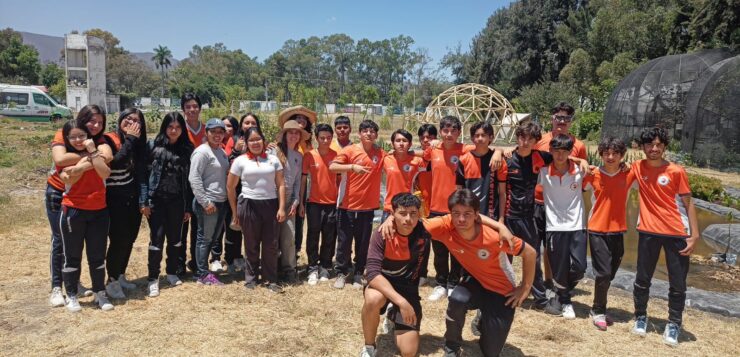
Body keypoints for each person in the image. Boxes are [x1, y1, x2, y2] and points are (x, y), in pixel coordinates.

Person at [380, 189, 535, 357]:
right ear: (451, 214)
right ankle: (452, 345)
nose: (461, 219)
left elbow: (530, 253)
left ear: (477, 215)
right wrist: (391, 218)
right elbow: (412, 222)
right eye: (456, 214)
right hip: (474, 281)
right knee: (457, 298)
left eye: (467, 214)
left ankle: (484, 318)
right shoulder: (446, 226)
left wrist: (525, 287)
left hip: (501, 290)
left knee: (490, 352)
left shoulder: (494, 237)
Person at [631, 127, 698, 346]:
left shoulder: (676, 171)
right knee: (642, 279)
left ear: (665, 147)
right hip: (648, 232)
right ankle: (640, 316)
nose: (654, 148)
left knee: (677, 283)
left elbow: (689, 204)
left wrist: (694, 235)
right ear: (642, 147)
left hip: (676, 233)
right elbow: (611, 169)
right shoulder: (637, 168)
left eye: (659, 144)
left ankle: (674, 323)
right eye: (650, 144)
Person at [47, 104, 110, 306]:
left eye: (100, 122)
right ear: (82, 119)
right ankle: (58, 287)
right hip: (61, 194)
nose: (96, 125)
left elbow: (106, 159)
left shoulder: (100, 140)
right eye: (92, 121)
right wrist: (88, 157)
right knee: (62, 243)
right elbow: (60, 160)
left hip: (93, 202)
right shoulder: (66, 132)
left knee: (94, 250)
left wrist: (84, 160)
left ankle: (82, 287)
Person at [360, 193, 430, 357]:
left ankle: (393, 315)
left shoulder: (425, 231)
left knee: (409, 351)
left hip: (408, 288)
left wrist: (500, 225)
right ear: (393, 214)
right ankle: (369, 347)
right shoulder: (381, 233)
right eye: (402, 213)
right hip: (382, 284)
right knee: (373, 299)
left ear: (419, 214)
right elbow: (372, 273)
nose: (408, 219)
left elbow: (456, 221)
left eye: (413, 213)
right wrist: (401, 302)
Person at [495, 122, 553, 309]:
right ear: (517, 138)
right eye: (522, 137)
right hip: (510, 216)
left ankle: (540, 299)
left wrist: (581, 161)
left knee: (533, 257)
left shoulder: (541, 157)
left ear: (536, 141)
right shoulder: (507, 159)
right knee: (505, 258)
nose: (526, 142)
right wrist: (501, 220)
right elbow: (501, 193)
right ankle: (504, 293)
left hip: (529, 217)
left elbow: (563, 158)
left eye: (530, 139)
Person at [531, 102, 587, 289]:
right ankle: (538, 282)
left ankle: (552, 281)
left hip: (560, 204)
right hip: (538, 198)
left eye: (566, 118)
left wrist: (578, 159)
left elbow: (582, 169)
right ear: (552, 119)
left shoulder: (578, 145)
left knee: (551, 246)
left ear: (571, 121)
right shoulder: (540, 140)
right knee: (535, 245)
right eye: (558, 118)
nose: (562, 122)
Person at [418, 116, 473, 301]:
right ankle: (441, 283)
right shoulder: (433, 150)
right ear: (440, 132)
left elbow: (487, 149)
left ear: (458, 132)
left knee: (457, 249)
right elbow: (419, 156)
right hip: (436, 207)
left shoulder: (466, 149)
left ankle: (454, 283)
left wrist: (498, 153)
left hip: (457, 209)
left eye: (453, 131)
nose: (449, 135)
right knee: (439, 249)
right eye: (445, 131)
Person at [141, 112, 195, 297]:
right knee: (156, 239)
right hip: (156, 200)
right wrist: (144, 201)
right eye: (170, 127)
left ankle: (171, 272)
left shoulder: (187, 149)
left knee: (175, 239)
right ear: (165, 127)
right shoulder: (152, 147)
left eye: (178, 127)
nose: (174, 130)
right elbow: (144, 176)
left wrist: (188, 206)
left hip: (178, 201)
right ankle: (153, 279)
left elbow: (189, 181)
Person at [227, 127, 287, 293]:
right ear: (246, 143)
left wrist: (282, 207)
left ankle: (270, 279)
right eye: (251, 140)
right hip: (248, 205)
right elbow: (230, 187)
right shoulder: (240, 161)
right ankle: (251, 279)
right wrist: (234, 211)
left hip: (270, 205)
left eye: (258, 139)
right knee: (251, 243)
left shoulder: (273, 160)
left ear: (264, 141)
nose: (255, 143)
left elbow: (281, 184)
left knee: (270, 244)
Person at [582, 137, 632, 330]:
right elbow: (578, 187)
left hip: (618, 230)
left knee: (610, 273)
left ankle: (599, 304)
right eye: (606, 153)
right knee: (602, 272)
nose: (610, 157)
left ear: (622, 155)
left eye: (615, 153)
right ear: (601, 154)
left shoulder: (629, 174)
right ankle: (598, 310)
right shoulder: (592, 174)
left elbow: (644, 168)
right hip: (596, 229)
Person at [330, 119, 386, 289]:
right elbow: (332, 167)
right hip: (347, 205)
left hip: (367, 207)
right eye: (365, 131)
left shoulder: (381, 154)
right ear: (359, 134)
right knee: (344, 241)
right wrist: (352, 167)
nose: (369, 134)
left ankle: (359, 272)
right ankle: (341, 272)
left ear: (376, 135)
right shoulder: (349, 150)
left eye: (372, 131)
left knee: (363, 243)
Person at [539, 135, 588, 319]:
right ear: (550, 151)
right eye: (556, 151)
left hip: (577, 225)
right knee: (558, 268)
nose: (560, 156)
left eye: (564, 151)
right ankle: (565, 301)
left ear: (570, 152)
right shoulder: (543, 172)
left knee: (580, 266)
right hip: (554, 226)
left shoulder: (580, 171)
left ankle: (561, 292)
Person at [103, 108, 148, 299]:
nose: (131, 122)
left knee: (130, 238)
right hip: (114, 198)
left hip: (131, 197)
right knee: (118, 239)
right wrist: (129, 140)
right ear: (120, 119)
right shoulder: (108, 140)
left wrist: (142, 199)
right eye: (127, 118)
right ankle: (111, 280)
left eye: (136, 121)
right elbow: (116, 163)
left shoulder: (139, 144)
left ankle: (120, 274)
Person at [190, 118, 230, 286]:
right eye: (213, 131)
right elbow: (194, 178)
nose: (217, 135)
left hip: (220, 202)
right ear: (207, 133)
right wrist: (205, 202)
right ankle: (202, 274)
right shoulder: (202, 152)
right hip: (208, 202)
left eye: (220, 132)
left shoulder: (221, 152)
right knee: (204, 238)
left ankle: (202, 271)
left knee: (211, 238)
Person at [300, 123, 339, 285]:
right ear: (316, 138)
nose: (325, 140)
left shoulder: (337, 155)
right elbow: (303, 180)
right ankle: (312, 267)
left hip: (332, 203)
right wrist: (302, 203)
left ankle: (325, 266)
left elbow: (340, 180)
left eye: (328, 138)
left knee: (329, 236)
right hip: (314, 203)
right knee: (313, 236)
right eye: (322, 138)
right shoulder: (309, 156)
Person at [223, 113, 261, 273]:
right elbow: (226, 163)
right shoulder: (234, 140)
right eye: (246, 122)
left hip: (253, 191)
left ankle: (250, 259)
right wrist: (236, 151)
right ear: (241, 125)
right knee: (233, 225)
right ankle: (232, 258)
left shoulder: (259, 140)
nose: (249, 125)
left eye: (253, 122)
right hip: (235, 190)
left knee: (252, 229)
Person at [271, 120, 307, 284]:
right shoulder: (274, 152)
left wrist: (296, 201)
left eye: (296, 133)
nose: (293, 135)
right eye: (290, 132)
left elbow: (298, 181)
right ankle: (270, 268)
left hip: (290, 200)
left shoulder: (299, 156)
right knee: (271, 236)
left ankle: (289, 269)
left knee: (289, 237)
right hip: (272, 199)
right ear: (284, 135)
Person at [278, 106, 317, 256]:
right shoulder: (280, 146)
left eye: (303, 119)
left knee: (298, 219)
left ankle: (295, 249)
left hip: (300, 183)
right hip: (283, 184)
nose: (301, 121)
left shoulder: (307, 144)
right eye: (297, 119)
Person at [179, 92, 204, 275]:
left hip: (202, 184)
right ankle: (178, 264)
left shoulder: (207, 130)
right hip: (182, 183)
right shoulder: (178, 129)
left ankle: (196, 263)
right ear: (183, 109)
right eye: (188, 106)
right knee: (181, 224)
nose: (192, 109)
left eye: (195, 106)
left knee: (199, 226)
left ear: (200, 109)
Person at [456, 122, 498, 218]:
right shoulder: (463, 160)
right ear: (472, 138)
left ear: (491, 137)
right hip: (469, 213)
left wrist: (501, 219)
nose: (480, 138)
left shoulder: (497, 160)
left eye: (483, 135)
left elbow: (502, 191)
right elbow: (459, 189)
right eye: (476, 135)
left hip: (491, 215)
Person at [382, 129, 426, 221]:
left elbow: (430, 156)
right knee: (386, 234)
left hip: (409, 208)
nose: (401, 143)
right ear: (393, 143)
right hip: (390, 208)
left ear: (410, 144)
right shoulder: (385, 160)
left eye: (404, 141)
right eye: (398, 141)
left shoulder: (417, 161)